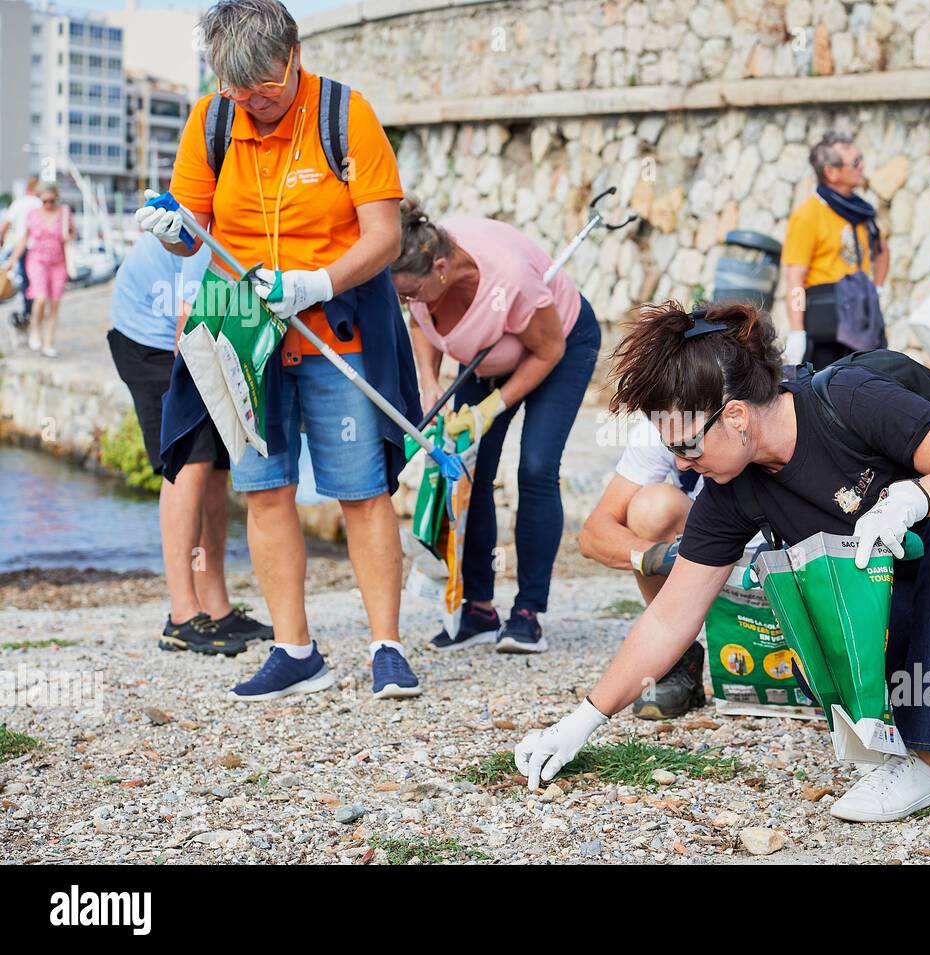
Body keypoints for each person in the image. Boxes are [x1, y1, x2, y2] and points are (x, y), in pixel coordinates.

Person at [513, 301, 930, 823]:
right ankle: (898, 728)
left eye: (686, 445)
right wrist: (581, 721)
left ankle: (919, 764)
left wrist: (910, 500)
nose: (681, 464)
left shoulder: (850, 398)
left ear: (736, 417)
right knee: (809, 655)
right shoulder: (731, 490)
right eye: (671, 450)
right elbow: (670, 617)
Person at [135, 0, 422, 701]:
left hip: (336, 326)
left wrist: (316, 283)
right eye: (237, 93)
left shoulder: (344, 115)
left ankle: (387, 646)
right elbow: (194, 231)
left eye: (264, 91)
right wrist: (173, 232)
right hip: (243, 331)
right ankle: (295, 651)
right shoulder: (212, 121)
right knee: (264, 490)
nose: (252, 107)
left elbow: (385, 235)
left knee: (362, 491)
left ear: (294, 57)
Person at [392, 203, 601, 654]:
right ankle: (479, 609)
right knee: (469, 471)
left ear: (441, 269)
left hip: (559, 346)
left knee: (536, 467)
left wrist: (491, 408)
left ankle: (528, 613)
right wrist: (429, 382)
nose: (409, 302)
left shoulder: (509, 278)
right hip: (487, 355)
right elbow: (421, 325)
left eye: (411, 293)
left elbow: (548, 350)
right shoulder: (420, 272)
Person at [107, 234, 273, 656]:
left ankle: (216, 607)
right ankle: (182, 616)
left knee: (215, 468)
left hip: (200, 334)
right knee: (189, 463)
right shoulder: (212, 233)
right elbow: (188, 325)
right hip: (151, 341)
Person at [576, 415, 706, 719]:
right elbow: (592, 536)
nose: (683, 461)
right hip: (709, 552)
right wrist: (657, 556)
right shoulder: (662, 426)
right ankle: (676, 656)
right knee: (652, 508)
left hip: (772, 554)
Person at [781, 132, 890, 370]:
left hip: (862, 319)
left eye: (860, 159)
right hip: (826, 325)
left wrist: (877, 288)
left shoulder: (862, 213)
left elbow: (882, 250)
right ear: (831, 172)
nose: (862, 167)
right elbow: (795, 277)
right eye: (855, 163)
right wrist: (797, 330)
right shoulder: (809, 214)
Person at [10, 182, 75, 357]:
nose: (48, 204)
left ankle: (48, 343)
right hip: (37, 260)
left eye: (52, 201)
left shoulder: (64, 213)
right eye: (45, 201)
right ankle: (36, 330)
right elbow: (23, 241)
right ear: (39, 199)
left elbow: (73, 233)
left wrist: (68, 237)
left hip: (59, 263)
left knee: (55, 304)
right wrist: (11, 262)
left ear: (57, 198)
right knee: (40, 298)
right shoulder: (32, 215)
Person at [0, 177, 42, 330]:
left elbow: (6, 224)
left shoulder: (19, 203)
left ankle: (28, 311)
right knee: (36, 281)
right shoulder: (39, 203)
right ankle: (35, 310)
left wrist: (1, 239)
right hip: (39, 248)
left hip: (23, 247)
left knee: (26, 281)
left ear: (27, 188)